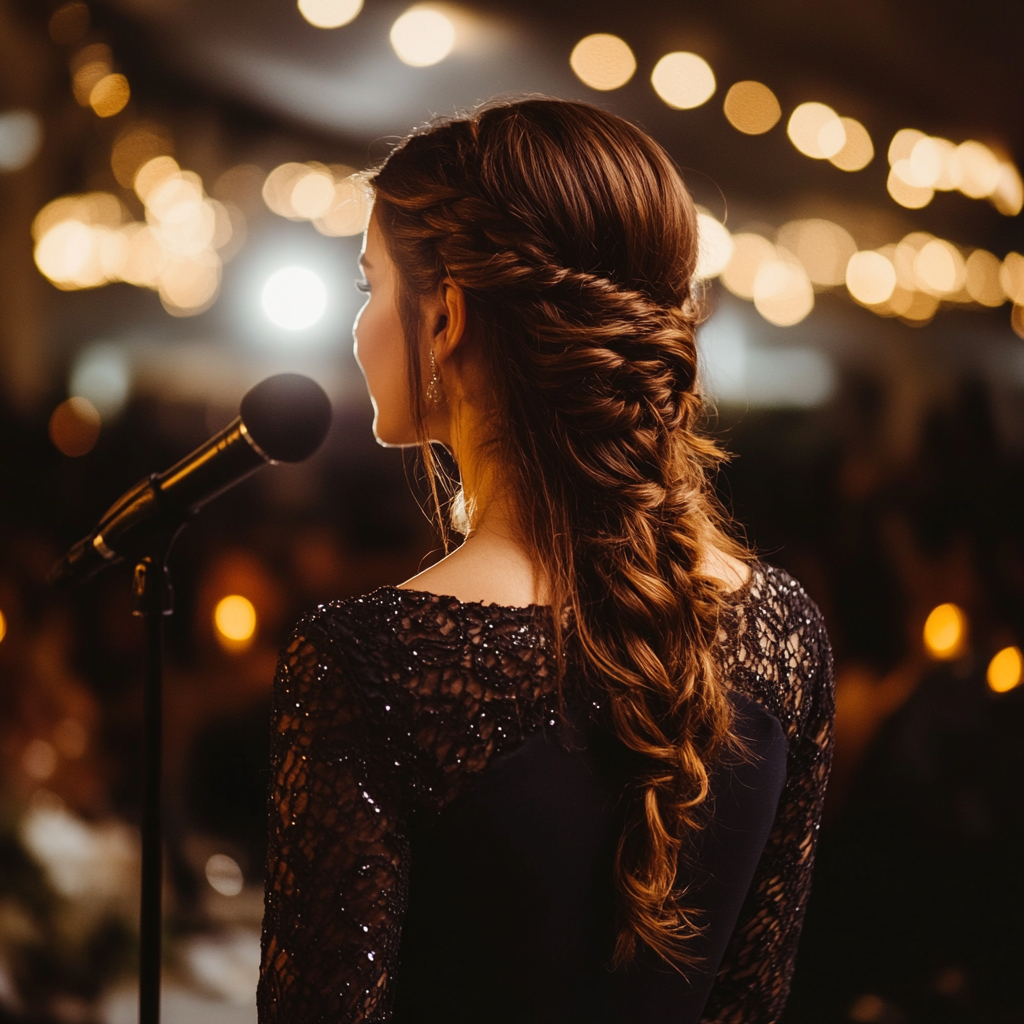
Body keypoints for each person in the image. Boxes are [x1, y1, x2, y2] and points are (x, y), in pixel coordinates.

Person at [257, 99, 834, 1024]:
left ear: (445, 316)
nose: (358, 327)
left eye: (369, 286)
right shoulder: (785, 633)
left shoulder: (373, 661)